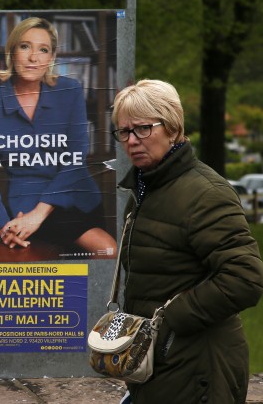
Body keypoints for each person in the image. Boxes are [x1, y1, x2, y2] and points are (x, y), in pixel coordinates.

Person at [110, 79, 263, 403]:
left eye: (142, 129)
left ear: (172, 126)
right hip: (158, 366)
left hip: (199, 370)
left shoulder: (206, 193)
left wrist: (171, 321)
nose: (132, 141)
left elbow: (245, 278)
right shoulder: (144, 189)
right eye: (124, 132)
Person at [0, 17, 116, 256]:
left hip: (74, 200)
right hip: (22, 208)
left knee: (108, 251)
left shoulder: (70, 91)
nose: (33, 57)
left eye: (43, 50)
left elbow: (75, 160)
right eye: (25, 46)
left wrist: (38, 215)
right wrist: (1, 224)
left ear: (51, 58)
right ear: (12, 51)